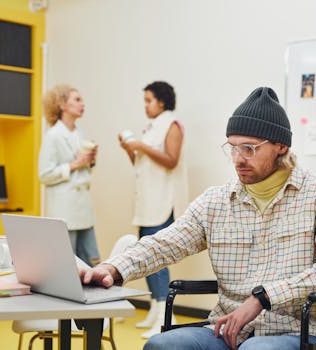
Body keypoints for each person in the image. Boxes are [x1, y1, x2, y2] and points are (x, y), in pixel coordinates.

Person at [81, 86, 316, 350]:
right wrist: (113, 269)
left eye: (249, 148)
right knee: (161, 345)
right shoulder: (217, 200)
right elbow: (163, 243)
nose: (238, 158)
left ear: (281, 147)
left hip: (299, 329)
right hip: (229, 330)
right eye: (233, 147)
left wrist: (264, 298)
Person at [118, 81, 188, 338]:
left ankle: (165, 316)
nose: (145, 106)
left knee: (158, 256)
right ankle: (155, 308)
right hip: (147, 201)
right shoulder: (151, 128)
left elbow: (171, 160)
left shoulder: (172, 125)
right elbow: (142, 164)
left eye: (148, 100)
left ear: (162, 101)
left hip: (162, 201)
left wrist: (141, 146)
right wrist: (131, 149)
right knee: (146, 257)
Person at [38, 84, 101, 267]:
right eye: (77, 99)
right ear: (62, 104)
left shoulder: (81, 133)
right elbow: (44, 175)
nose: (83, 104)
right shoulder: (53, 135)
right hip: (65, 208)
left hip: (83, 208)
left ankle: (97, 295)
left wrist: (90, 160)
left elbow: (84, 169)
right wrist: (75, 164)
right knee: (68, 263)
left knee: (92, 260)